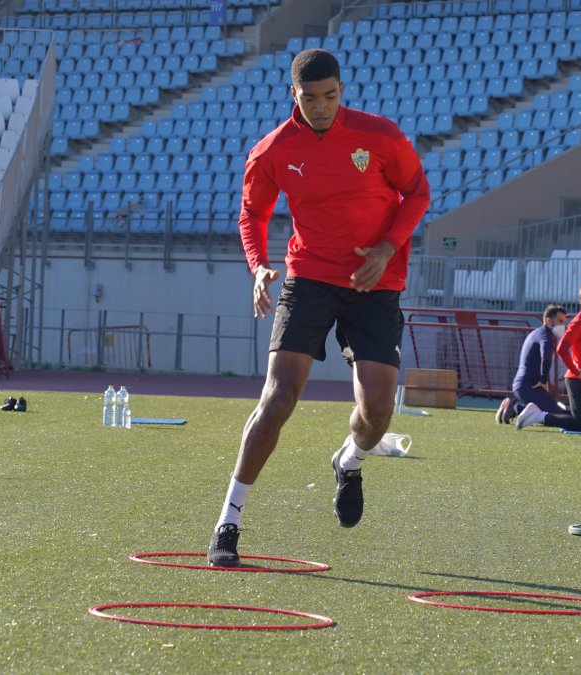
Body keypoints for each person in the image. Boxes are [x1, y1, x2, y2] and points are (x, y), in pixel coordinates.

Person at [207, 48, 430, 566]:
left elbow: (417, 193)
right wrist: (259, 265)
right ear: (294, 95)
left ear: (341, 90)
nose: (322, 106)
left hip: (375, 281)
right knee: (279, 396)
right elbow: (252, 214)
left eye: (330, 96)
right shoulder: (273, 151)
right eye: (310, 98)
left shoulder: (379, 136)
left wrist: (386, 247)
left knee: (377, 409)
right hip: (307, 276)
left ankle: (349, 463)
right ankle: (228, 521)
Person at [515, 283, 581, 432]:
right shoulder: (578, 323)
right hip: (578, 379)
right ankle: (539, 416)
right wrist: (576, 371)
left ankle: (520, 409)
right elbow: (562, 349)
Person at [495, 304, 568, 425]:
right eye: (560, 321)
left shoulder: (536, 332)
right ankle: (515, 408)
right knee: (558, 417)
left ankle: (513, 406)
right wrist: (544, 380)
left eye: (564, 322)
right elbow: (546, 357)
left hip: (525, 385)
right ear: (548, 320)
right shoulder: (546, 337)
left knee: (555, 414)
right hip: (529, 387)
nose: (563, 325)